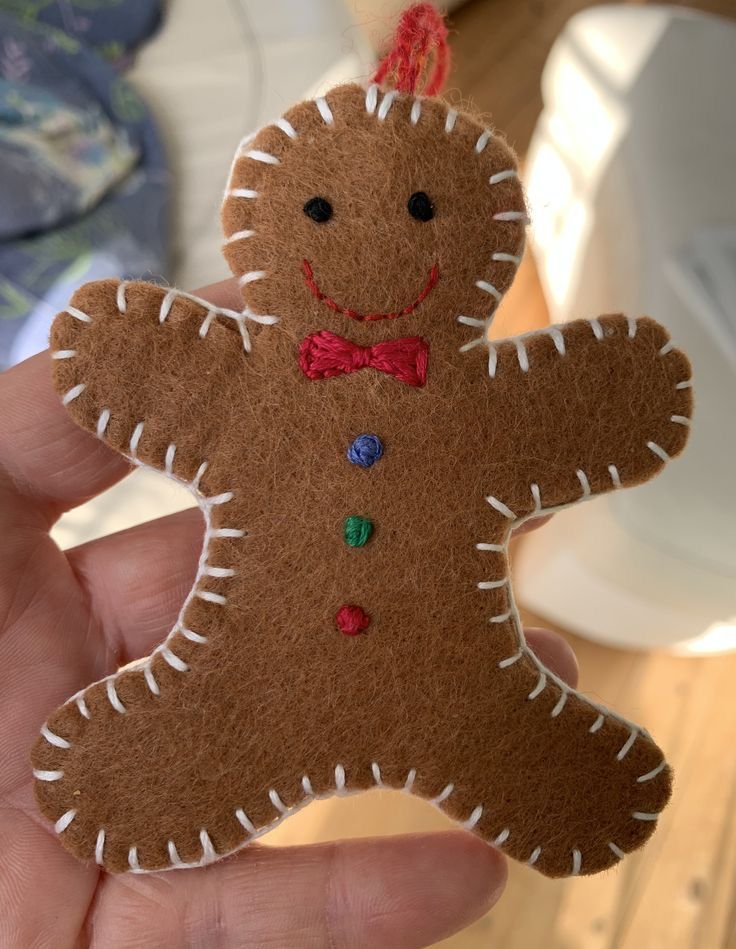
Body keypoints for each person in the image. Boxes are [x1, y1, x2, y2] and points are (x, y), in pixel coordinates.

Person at [0, 279, 577, 947]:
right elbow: (151, 363)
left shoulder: (479, 397)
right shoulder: (247, 378)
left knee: (528, 753)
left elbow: (564, 403)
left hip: (457, 674)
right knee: (148, 763)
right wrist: (129, 338)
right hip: (241, 683)